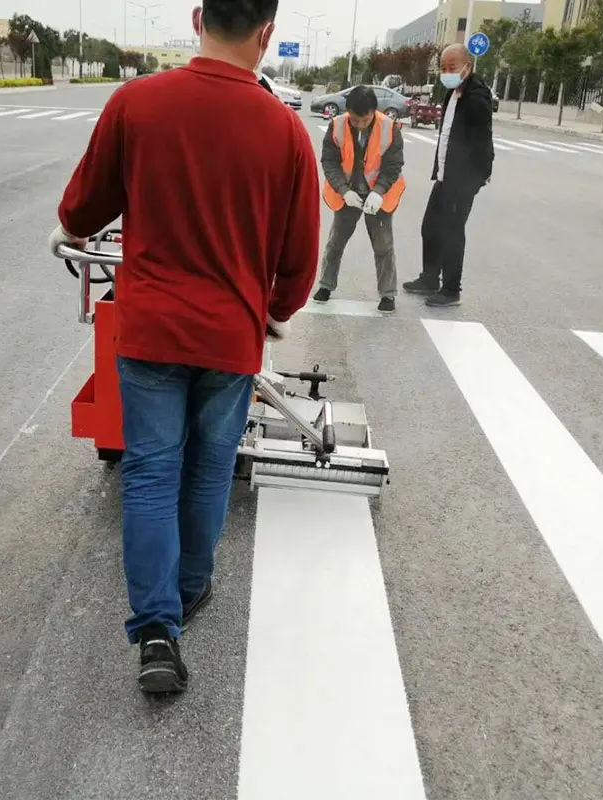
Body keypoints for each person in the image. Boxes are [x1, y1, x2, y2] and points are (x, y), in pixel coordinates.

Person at [49, 0, 320, 694]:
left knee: (148, 472)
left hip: (151, 333)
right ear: (267, 33)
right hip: (229, 338)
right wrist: (273, 313)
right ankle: (192, 589)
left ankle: (157, 632)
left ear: (199, 18)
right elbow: (298, 262)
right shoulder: (286, 131)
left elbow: (82, 210)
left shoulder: (137, 104)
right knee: (207, 469)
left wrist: (82, 225)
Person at [403, 43, 493, 307]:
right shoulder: (453, 92)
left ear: (467, 66)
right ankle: (430, 277)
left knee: (453, 233)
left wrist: (477, 177)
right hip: (445, 174)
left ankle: (451, 290)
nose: (446, 72)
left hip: (462, 178)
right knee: (430, 226)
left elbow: (482, 140)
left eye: (451, 68)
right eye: (443, 68)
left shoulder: (477, 95)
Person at [313, 85, 405, 314]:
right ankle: (325, 285)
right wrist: (344, 191)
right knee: (335, 242)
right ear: (349, 112)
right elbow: (329, 162)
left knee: (384, 245)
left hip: (378, 195)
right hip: (349, 194)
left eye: (364, 120)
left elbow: (393, 165)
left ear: (374, 111)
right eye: (355, 119)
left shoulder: (390, 127)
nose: (359, 124)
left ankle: (387, 294)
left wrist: (379, 191)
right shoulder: (337, 126)